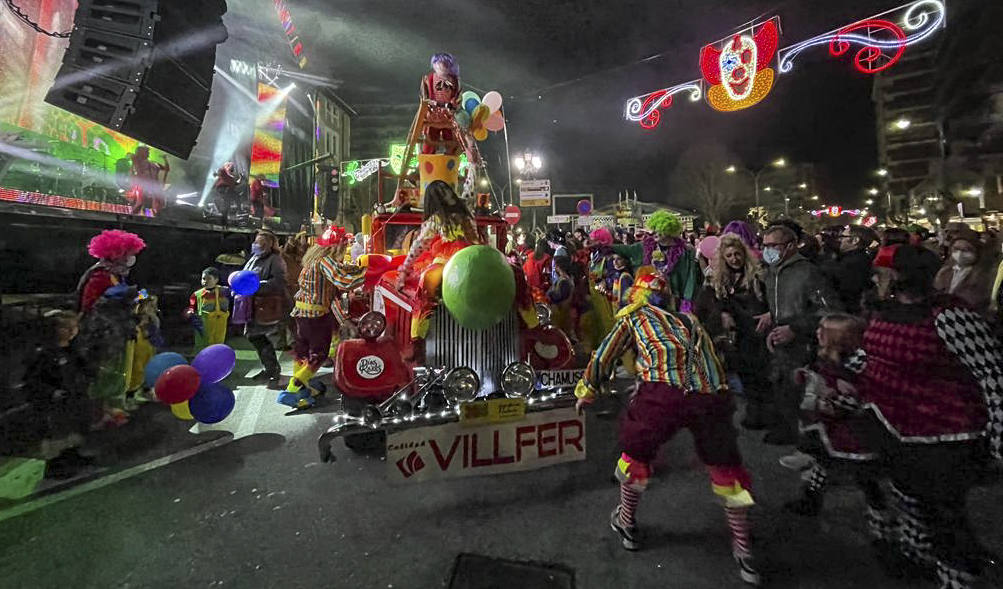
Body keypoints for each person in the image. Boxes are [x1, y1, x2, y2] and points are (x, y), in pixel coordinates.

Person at [574, 274, 760, 585]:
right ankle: (744, 550)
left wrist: (587, 390)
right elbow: (711, 358)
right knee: (726, 468)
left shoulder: (634, 315)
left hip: (662, 392)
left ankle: (626, 522)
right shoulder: (688, 319)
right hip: (709, 396)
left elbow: (605, 353)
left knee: (635, 455)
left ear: (636, 295)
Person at [853, 244, 1002, 587]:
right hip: (897, 428)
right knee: (910, 502)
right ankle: (918, 561)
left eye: (881, 272)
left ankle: (957, 577)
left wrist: (998, 435)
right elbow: (875, 362)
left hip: (943, 435)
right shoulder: (885, 312)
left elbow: (991, 373)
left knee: (944, 516)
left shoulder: (948, 316)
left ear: (900, 277)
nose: (875, 278)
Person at [782, 313, 878, 517]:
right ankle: (810, 499)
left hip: (854, 430)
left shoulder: (854, 368)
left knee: (866, 477)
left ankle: (884, 525)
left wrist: (825, 400)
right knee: (823, 461)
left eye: (823, 330)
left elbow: (854, 401)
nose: (817, 332)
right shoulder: (828, 358)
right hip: (832, 427)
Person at [759, 224, 841, 445]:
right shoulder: (771, 272)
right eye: (765, 245)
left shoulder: (808, 272)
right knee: (783, 389)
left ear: (791, 245)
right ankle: (795, 437)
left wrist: (795, 328)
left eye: (773, 245)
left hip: (805, 345)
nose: (768, 250)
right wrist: (773, 321)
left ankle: (812, 445)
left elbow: (830, 310)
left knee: (803, 395)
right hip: (780, 342)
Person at [279, 226, 364, 409]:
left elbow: (337, 280)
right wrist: (368, 274)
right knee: (318, 355)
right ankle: (294, 388)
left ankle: (303, 390)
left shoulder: (313, 260)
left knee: (302, 353)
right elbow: (343, 282)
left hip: (301, 314)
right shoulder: (326, 261)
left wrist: (357, 268)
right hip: (315, 315)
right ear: (337, 246)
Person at [695, 234, 771, 429]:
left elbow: (772, 300)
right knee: (745, 373)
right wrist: (721, 314)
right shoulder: (717, 278)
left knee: (761, 374)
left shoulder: (759, 274)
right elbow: (707, 303)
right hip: (737, 334)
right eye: (729, 256)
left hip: (759, 330)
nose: (734, 259)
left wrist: (770, 314)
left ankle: (764, 414)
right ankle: (755, 412)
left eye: (737, 254)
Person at [395, 180, 481, 342]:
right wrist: (404, 270)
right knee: (428, 279)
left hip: (476, 256)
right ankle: (417, 337)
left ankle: (532, 326)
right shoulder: (436, 220)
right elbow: (419, 245)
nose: (446, 193)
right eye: (440, 192)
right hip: (448, 261)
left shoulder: (466, 208)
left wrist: (473, 164)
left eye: (446, 188)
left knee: (514, 272)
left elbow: (471, 187)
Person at [76, 230, 146, 426]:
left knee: (118, 370)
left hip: (119, 331)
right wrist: (118, 299)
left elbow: (128, 300)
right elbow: (89, 306)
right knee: (104, 373)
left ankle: (113, 407)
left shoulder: (117, 275)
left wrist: (140, 297)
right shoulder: (99, 276)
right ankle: (99, 414)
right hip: (104, 336)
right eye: (128, 254)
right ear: (117, 255)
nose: (131, 258)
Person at [21, 310, 95, 477]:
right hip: (54, 403)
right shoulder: (44, 353)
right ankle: (55, 465)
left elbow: (85, 369)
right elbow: (32, 380)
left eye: (74, 327)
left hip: (73, 399)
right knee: (57, 434)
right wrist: (52, 392)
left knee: (75, 429)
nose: (71, 332)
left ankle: (73, 456)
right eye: (66, 328)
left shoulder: (74, 350)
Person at [241, 230, 287, 388]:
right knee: (253, 335)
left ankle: (272, 368)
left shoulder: (275, 260)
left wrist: (257, 286)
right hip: (252, 304)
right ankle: (270, 368)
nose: (257, 245)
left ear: (269, 245)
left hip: (265, 304)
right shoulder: (254, 258)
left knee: (257, 336)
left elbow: (279, 282)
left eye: (261, 243)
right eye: (256, 242)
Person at [641, 210, 702, 312]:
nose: (654, 233)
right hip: (655, 298)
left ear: (668, 230)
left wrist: (687, 302)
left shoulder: (686, 251)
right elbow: (626, 250)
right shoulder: (650, 247)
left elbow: (691, 278)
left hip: (676, 299)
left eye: (658, 230)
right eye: (653, 230)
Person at [933, 226, 993, 315]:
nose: (960, 254)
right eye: (956, 249)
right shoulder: (946, 271)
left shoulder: (986, 274)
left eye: (966, 250)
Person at [828, 225, 878, 314]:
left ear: (855, 240)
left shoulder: (855, 262)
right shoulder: (851, 258)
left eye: (843, 236)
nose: (839, 240)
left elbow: (848, 292)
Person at [419, 53, 461, 155]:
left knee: (450, 137)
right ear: (434, 65)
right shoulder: (429, 79)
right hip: (434, 114)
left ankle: (450, 157)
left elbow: (458, 95)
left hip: (448, 114)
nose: (442, 67)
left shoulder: (454, 80)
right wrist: (430, 103)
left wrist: (453, 104)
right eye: (439, 64)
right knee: (430, 138)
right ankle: (428, 157)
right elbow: (424, 96)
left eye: (445, 65)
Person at [185, 268, 230, 354]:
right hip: (203, 324)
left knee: (217, 344)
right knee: (202, 343)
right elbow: (192, 305)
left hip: (219, 323)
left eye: (209, 279)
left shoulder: (224, 291)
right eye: (203, 279)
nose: (205, 281)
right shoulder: (197, 294)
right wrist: (190, 311)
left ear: (216, 280)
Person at [126, 146, 168, 215]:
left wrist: (165, 159)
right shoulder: (138, 161)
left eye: (148, 152)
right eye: (146, 152)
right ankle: (132, 217)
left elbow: (166, 169)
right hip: (144, 185)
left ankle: (156, 217)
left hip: (155, 185)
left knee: (161, 203)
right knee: (140, 203)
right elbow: (133, 159)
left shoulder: (154, 163)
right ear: (141, 153)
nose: (148, 153)